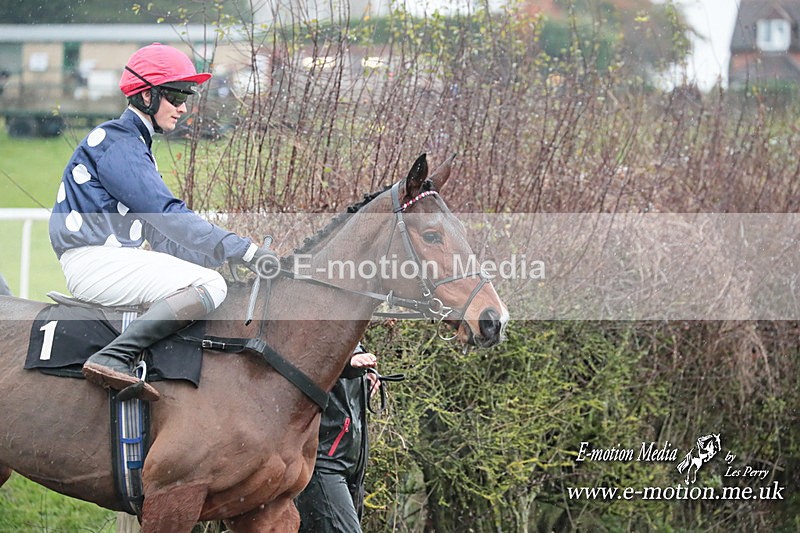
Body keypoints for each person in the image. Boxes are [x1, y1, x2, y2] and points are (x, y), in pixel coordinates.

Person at [48, 43, 274, 402]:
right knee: (210, 285)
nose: (183, 107)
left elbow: (163, 237)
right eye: (176, 95)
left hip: (110, 261)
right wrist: (244, 249)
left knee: (211, 279)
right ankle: (113, 356)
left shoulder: (132, 145)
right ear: (146, 95)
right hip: (95, 263)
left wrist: (224, 259)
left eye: (186, 96)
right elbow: (169, 215)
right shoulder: (119, 144)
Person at [295, 345, 383, 532]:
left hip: (349, 466)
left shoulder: (354, 337)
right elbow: (308, 359)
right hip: (322, 464)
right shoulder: (309, 333)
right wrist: (348, 362)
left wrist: (362, 381)